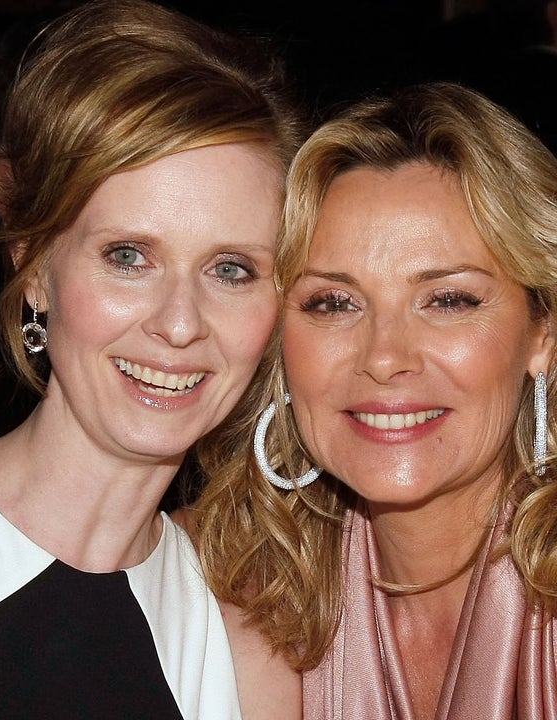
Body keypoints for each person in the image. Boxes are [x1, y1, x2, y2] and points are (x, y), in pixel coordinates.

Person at [0, 1, 309, 717]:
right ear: (33, 268)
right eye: (129, 257)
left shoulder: (251, 651)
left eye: (231, 269)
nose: (180, 323)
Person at [193, 80, 557, 718]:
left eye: (448, 300)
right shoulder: (212, 584)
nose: (385, 357)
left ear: (542, 332)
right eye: (334, 303)